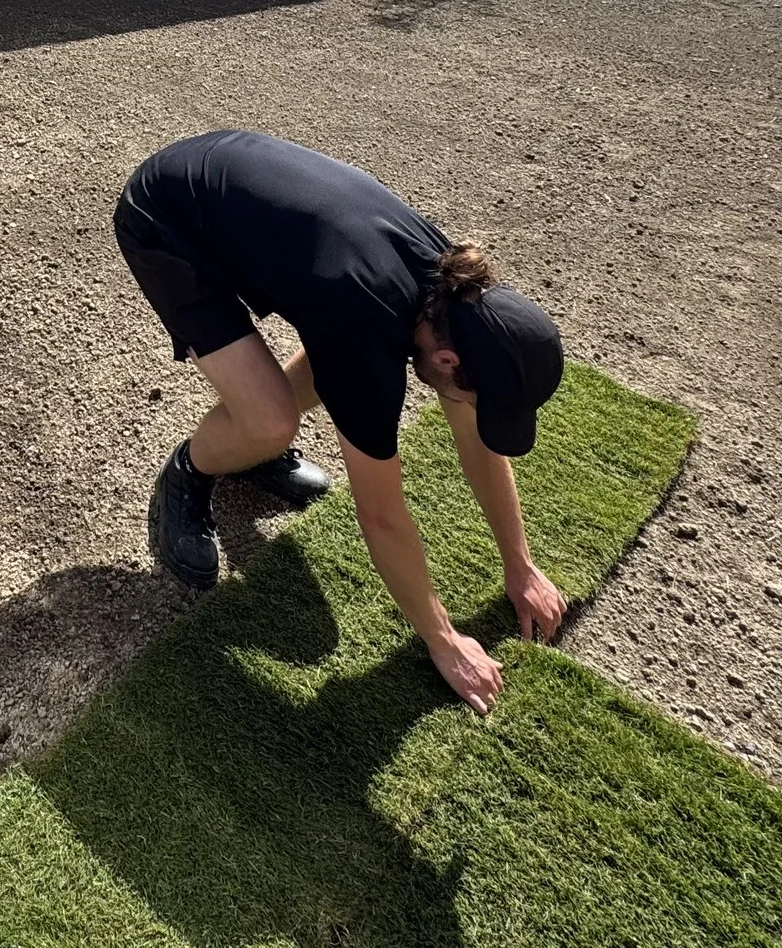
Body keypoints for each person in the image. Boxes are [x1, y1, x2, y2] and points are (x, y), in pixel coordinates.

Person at [113, 129, 568, 713]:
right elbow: (381, 517)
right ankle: (189, 472)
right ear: (449, 361)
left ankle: (245, 448)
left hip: (230, 189)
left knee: (321, 375)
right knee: (271, 420)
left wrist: (520, 565)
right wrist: (444, 638)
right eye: (480, 399)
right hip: (166, 218)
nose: (474, 412)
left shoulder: (453, 297)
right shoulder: (373, 322)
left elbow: (475, 441)